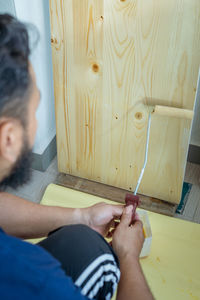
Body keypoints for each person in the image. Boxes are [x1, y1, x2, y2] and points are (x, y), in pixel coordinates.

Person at [0, 14, 154, 300]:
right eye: (34, 111)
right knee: (106, 266)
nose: (36, 122)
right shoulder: (35, 278)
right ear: (8, 137)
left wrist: (82, 217)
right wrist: (129, 256)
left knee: (81, 239)